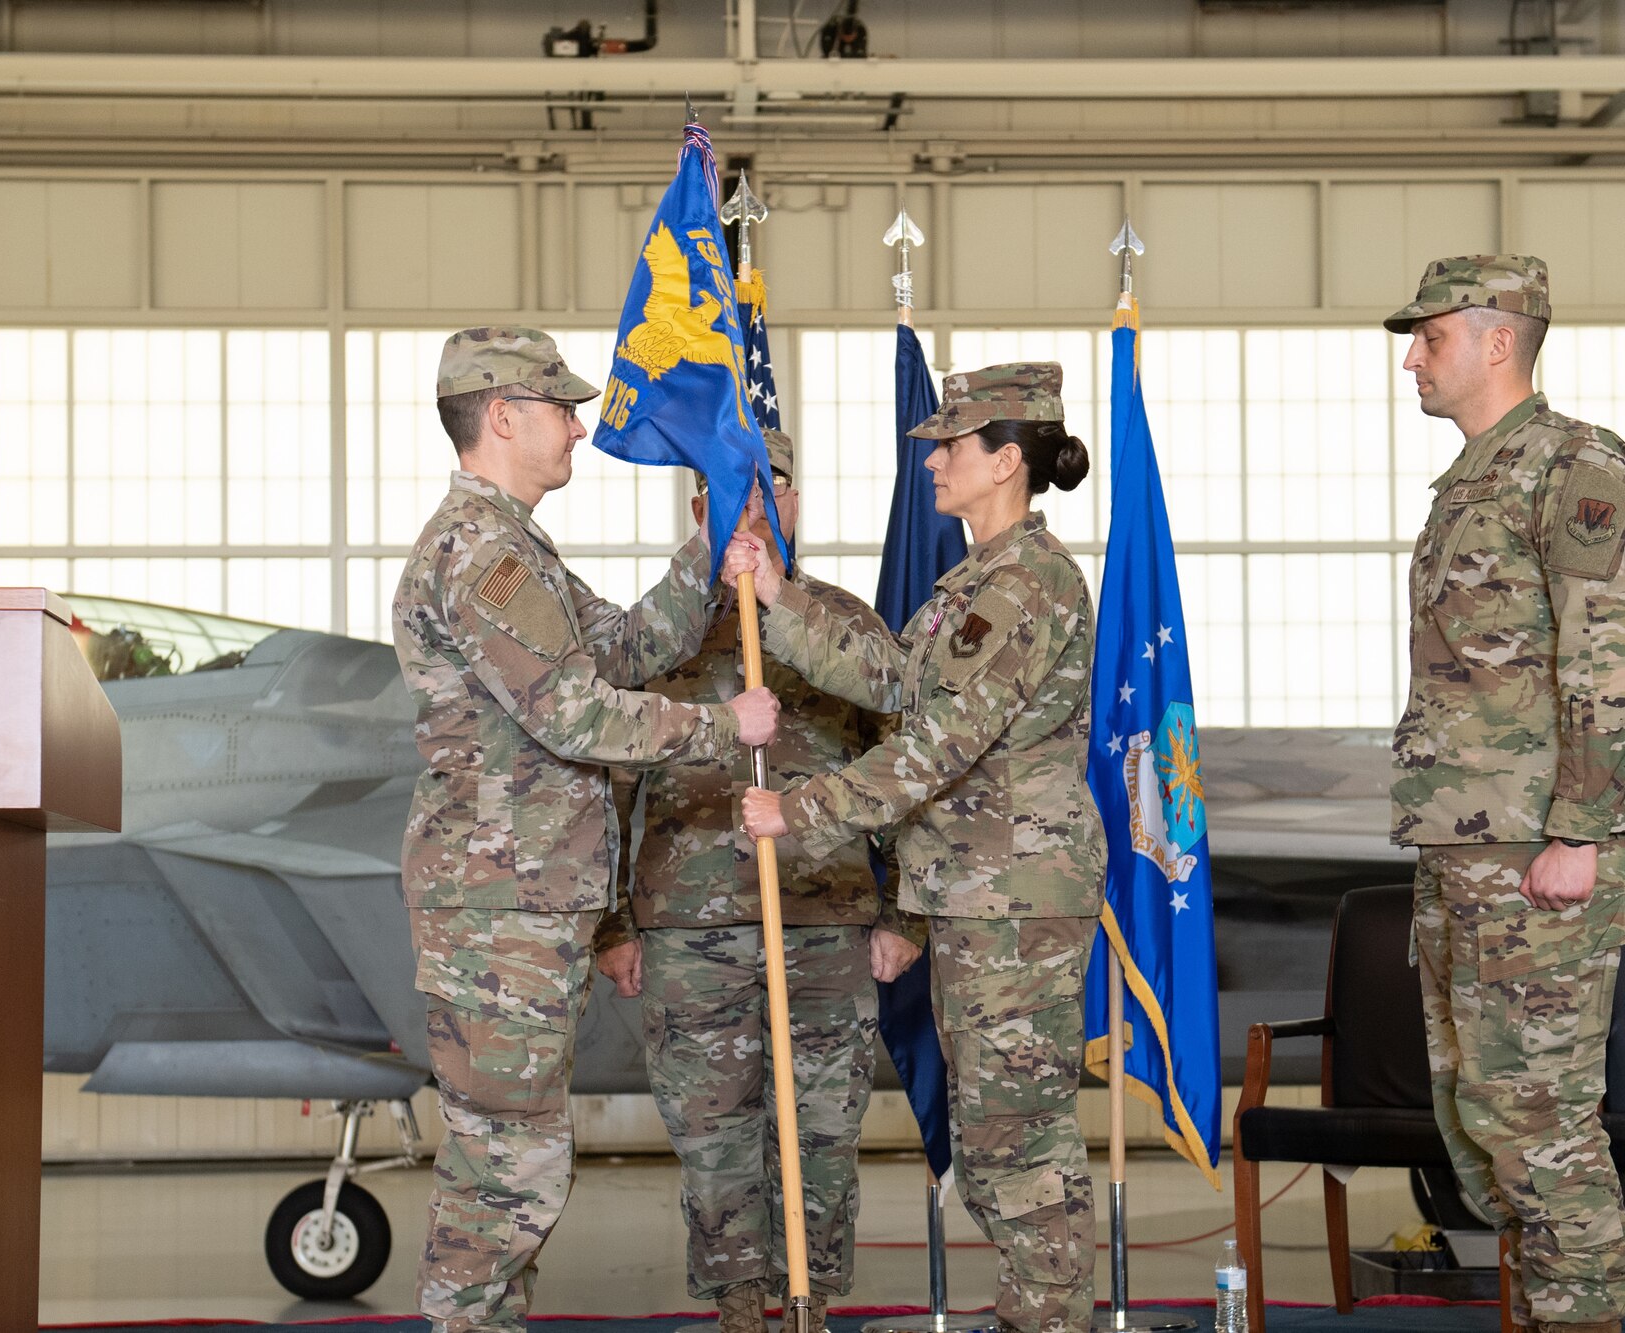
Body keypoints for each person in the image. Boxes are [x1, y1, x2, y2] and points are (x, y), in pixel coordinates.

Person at [392, 327, 780, 1333]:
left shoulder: (516, 548)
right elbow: (571, 712)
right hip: (498, 912)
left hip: (523, 906)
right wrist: (718, 726)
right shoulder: (479, 552)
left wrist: (708, 551)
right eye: (558, 408)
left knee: (510, 1163)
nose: (577, 425)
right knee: (505, 1171)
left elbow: (621, 648)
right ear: (501, 417)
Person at [724, 364, 1107, 1333]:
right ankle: (1035, 1314)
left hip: (1014, 896)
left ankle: (1049, 1321)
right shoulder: (974, 580)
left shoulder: (1027, 583)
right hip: (977, 890)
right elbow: (893, 677)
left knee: (1015, 1139)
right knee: (990, 1142)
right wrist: (777, 594)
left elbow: (936, 745)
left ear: (1006, 459)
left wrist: (798, 809)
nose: (932, 461)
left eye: (950, 446)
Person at [593, 427, 925, 1333]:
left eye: (770, 489)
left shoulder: (843, 625)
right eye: (732, 489)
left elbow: (907, 768)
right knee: (713, 1138)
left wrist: (905, 913)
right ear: (697, 502)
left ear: (794, 501)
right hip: (688, 932)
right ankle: (741, 1307)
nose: (752, 506)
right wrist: (612, 927)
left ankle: (810, 1298)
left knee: (821, 1132)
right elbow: (608, 783)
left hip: (826, 920)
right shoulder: (657, 630)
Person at [1387, 257, 1625, 1333]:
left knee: (1537, 1117)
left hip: (1535, 848)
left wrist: (1577, 830)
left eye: (1429, 337)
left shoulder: (1572, 464)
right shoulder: (1472, 479)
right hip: (1466, 843)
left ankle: (1581, 1319)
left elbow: (1610, 655)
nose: (1411, 357)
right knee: (1480, 1118)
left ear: (1496, 341)